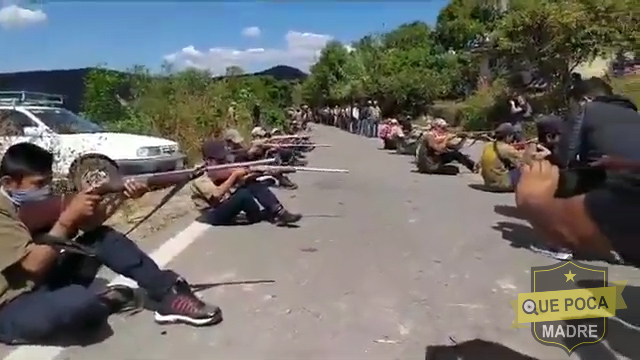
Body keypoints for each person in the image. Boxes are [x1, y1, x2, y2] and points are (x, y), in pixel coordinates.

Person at [0, 143, 221, 345]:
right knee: (79, 303)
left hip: (43, 279)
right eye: (39, 184)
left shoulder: (27, 203)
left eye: (48, 182)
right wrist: (67, 219)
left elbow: (92, 223)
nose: (46, 189)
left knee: (101, 237)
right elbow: (31, 266)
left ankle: (168, 292)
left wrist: (121, 195)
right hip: (10, 304)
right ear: (8, 184)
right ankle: (108, 301)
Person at [516, 77, 640, 266]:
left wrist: (548, 159)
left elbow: (567, 158)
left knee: (535, 181)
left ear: (584, 99)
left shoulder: (585, 110)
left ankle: (562, 245)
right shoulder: (634, 114)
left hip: (612, 189)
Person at [193, 139, 302, 226]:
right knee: (243, 195)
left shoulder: (221, 173)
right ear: (209, 161)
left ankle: (278, 211)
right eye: (221, 161)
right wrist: (234, 175)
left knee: (252, 185)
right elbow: (217, 194)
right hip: (212, 215)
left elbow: (242, 181)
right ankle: (260, 216)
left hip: (225, 206)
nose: (225, 163)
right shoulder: (201, 178)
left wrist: (257, 173)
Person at [222, 129, 298, 189]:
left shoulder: (239, 149)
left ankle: (280, 177)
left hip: (248, 166)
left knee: (271, 167)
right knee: (267, 170)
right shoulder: (227, 153)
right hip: (241, 174)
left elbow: (247, 156)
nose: (237, 144)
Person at [479, 123, 526, 191]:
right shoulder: (507, 149)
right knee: (524, 169)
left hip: (488, 183)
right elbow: (524, 160)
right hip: (501, 184)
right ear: (508, 136)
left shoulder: (488, 145)